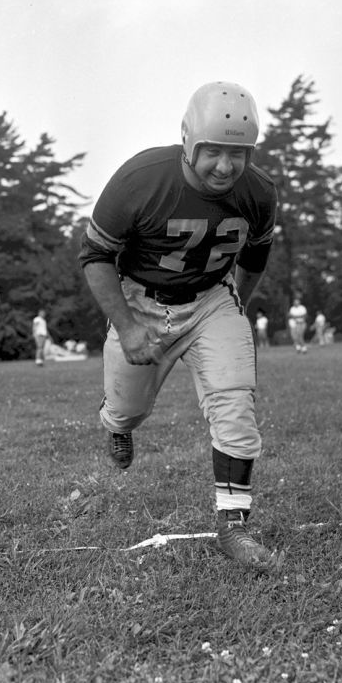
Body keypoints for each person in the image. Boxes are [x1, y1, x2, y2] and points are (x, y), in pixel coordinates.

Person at [79, 81, 280, 570]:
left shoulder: (257, 193)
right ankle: (118, 426)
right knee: (128, 408)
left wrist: (238, 307)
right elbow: (96, 255)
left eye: (239, 153)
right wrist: (126, 327)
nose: (226, 166)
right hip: (141, 302)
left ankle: (234, 527)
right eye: (214, 151)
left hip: (211, 299)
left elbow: (255, 254)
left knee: (235, 404)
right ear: (189, 141)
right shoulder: (141, 179)